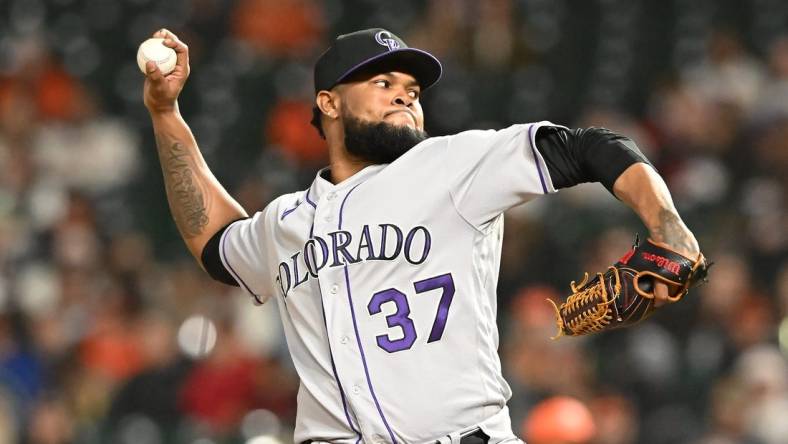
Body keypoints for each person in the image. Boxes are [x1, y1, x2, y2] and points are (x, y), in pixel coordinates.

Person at [143, 27, 701, 444]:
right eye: (382, 82)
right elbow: (214, 243)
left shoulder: (452, 165)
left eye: (412, 88)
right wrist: (166, 113)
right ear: (328, 102)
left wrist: (666, 224)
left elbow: (588, 146)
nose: (405, 95)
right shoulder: (285, 221)